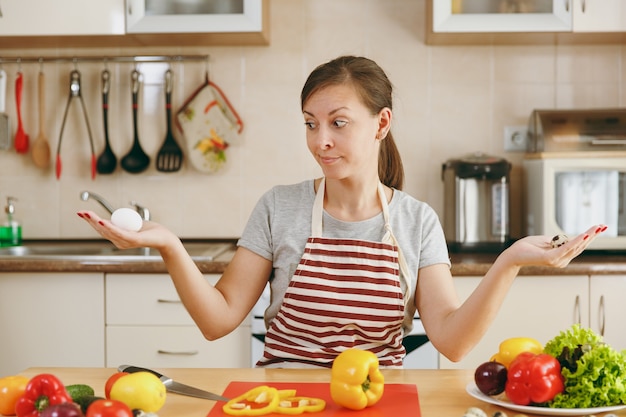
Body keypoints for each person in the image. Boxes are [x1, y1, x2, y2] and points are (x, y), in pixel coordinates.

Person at [77, 55, 606, 369]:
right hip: (284, 400)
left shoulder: (416, 221)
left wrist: (509, 261)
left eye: (337, 122)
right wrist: (170, 246)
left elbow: (452, 340)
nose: (320, 140)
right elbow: (218, 322)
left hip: (378, 402)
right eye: (310, 124)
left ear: (380, 124)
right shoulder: (279, 207)